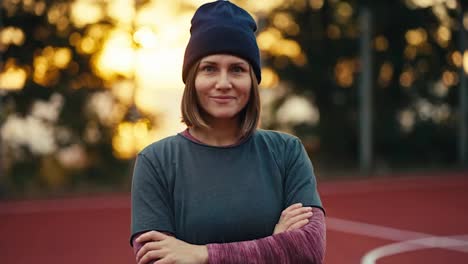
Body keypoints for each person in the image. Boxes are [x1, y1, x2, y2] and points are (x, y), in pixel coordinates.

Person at [130, 1, 326, 263]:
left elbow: (309, 249)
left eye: (237, 69)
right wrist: (275, 245)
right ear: (192, 79)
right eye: (209, 68)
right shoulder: (156, 161)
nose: (223, 83)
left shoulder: (286, 151)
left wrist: (201, 254)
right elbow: (157, 259)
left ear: (252, 81)